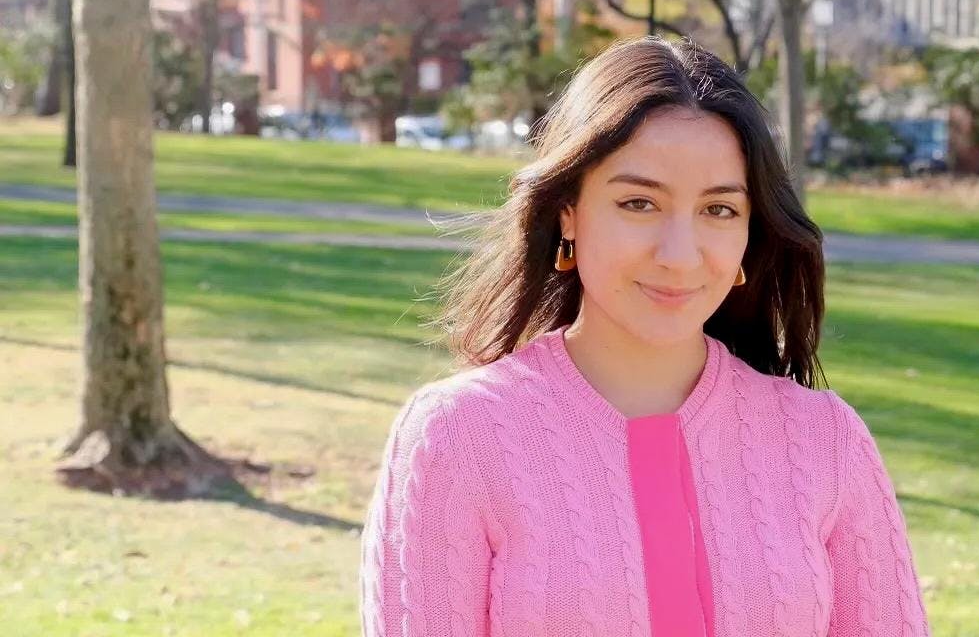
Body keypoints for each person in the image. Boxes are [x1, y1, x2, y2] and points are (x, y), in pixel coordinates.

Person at [358, 37, 933, 637]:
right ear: (568, 214)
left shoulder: (825, 442)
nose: (680, 256)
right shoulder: (459, 437)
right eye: (639, 202)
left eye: (719, 210)